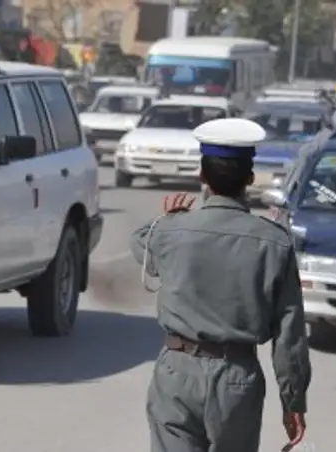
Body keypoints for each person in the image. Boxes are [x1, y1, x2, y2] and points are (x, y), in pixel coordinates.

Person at [130, 117, 311, 452]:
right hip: (236, 378)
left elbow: (140, 244)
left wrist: (168, 218)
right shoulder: (274, 241)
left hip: (177, 371)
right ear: (250, 178)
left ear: (202, 176)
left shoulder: (172, 231)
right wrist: (293, 399)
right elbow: (290, 333)